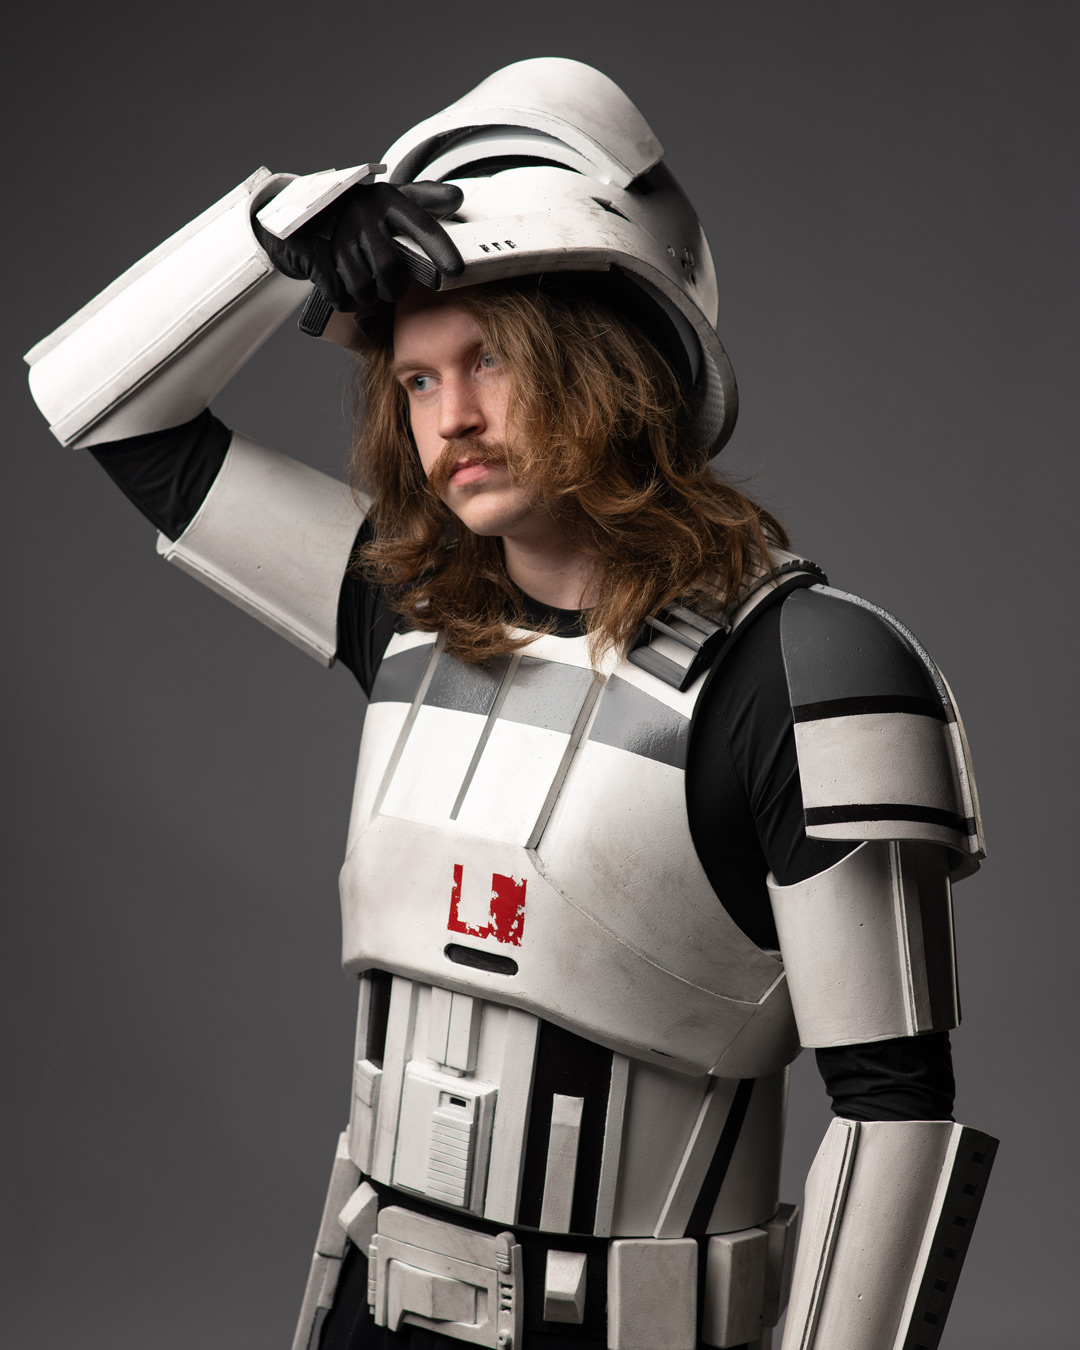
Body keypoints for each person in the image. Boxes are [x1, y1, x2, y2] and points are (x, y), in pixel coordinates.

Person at [25, 58, 995, 1350]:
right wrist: (275, 231)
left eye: (489, 358)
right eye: (418, 378)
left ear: (610, 364)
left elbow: (894, 1115)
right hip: (371, 1306)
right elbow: (101, 410)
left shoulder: (802, 673)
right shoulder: (406, 612)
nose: (454, 419)